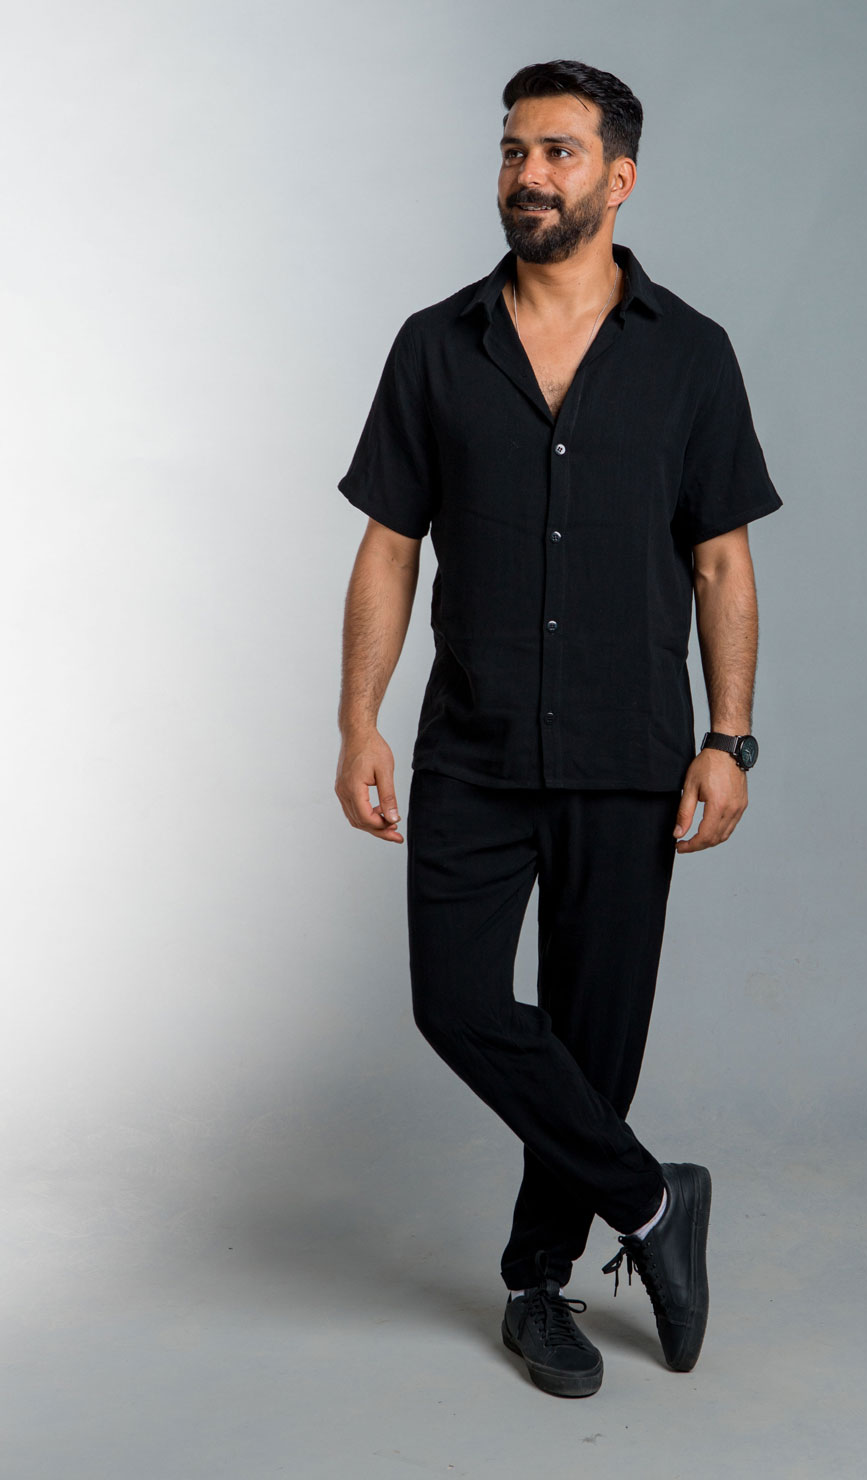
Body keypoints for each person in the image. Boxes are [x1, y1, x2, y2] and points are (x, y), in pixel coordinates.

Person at [333, 58, 782, 1399]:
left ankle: (538, 1284)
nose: (527, 174)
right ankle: (654, 1202)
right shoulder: (436, 345)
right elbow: (387, 547)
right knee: (457, 1001)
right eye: (513, 150)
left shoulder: (690, 354)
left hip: (630, 748)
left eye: (558, 152)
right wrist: (357, 720)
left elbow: (721, 560)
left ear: (618, 178)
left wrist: (730, 737)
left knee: (595, 1040)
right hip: (471, 744)